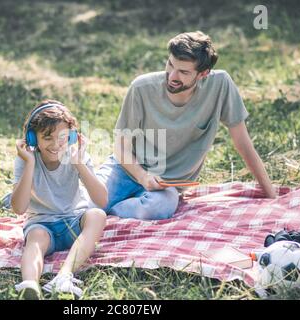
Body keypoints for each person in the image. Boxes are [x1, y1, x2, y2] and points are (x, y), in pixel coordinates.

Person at [95, 30, 276, 220]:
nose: (172, 76)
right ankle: (102, 211)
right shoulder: (141, 88)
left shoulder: (220, 85)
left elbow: (243, 144)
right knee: (85, 205)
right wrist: (142, 176)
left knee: (157, 209)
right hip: (125, 168)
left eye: (183, 72)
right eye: (170, 64)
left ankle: (109, 215)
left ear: (203, 74)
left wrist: (271, 196)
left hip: (167, 183)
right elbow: (120, 147)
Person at [12, 100, 108, 299]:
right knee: (36, 239)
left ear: (72, 137)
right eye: (47, 137)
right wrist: (29, 164)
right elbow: (19, 208)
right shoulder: (26, 160)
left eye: (62, 138)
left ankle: (64, 276)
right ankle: (30, 284)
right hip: (42, 225)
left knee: (97, 215)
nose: (56, 145)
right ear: (32, 138)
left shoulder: (77, 157)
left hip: (74, 221)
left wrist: (78, 163)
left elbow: (102, 200)